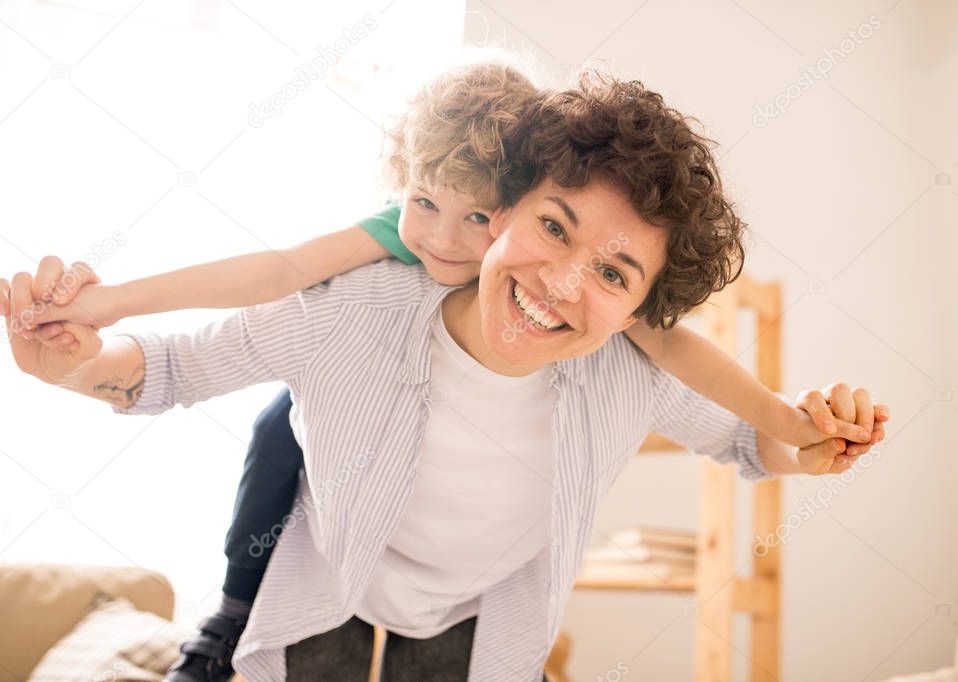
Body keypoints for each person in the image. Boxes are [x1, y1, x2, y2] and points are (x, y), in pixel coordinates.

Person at [2, 69, 887, 681]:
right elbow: (168, 369)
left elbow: (745, 439)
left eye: (614, 275)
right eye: (554, 227)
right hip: (327, 585)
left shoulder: (630, 373)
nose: (560, 284)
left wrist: (805, 443)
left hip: (479, 614)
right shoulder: (354, 305)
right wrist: (79, 364)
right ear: (502, 209)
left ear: (642, 317)